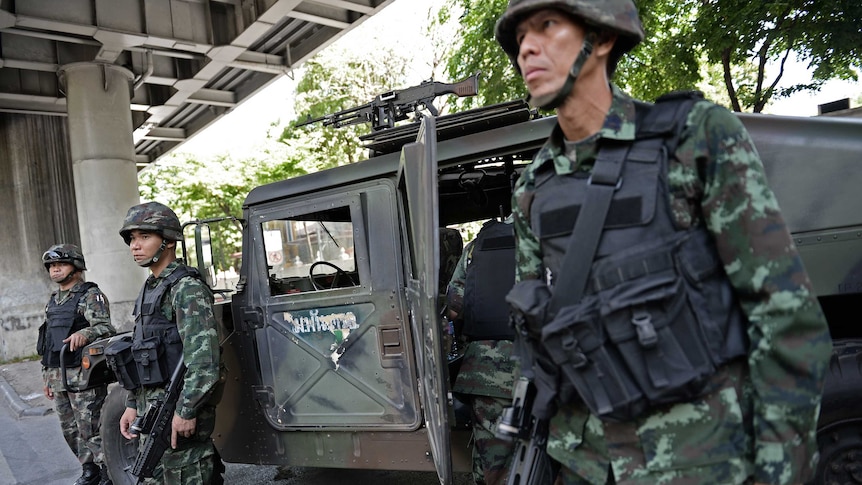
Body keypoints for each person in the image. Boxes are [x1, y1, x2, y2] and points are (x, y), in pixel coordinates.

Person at [493, 1, 832, 484]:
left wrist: (780, 470)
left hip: (699, 457)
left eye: (547, 26)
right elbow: (538, 331)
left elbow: (783, 314)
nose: (526, 49)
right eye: (520, 37)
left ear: (602, 39)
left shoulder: (693, 139)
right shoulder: (533, 187)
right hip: (587, 465)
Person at [117, 201, 224, 484]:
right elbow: (142, 353)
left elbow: (205, 361)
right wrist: (132, 404)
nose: (135, 246)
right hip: (151, 415)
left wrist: (186, 410)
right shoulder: (150, 288)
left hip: (177, 416)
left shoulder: (186, 288)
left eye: (145, 237)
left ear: (167, 241)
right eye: (132, 238)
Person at [446, 218, 518, 485]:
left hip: (487, 371)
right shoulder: (551, 238)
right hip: (545, 362)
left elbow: (454, 307)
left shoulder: (477, 248)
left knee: (493, 457)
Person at [39, 243, 117, 485]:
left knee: (91, 428)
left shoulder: (90, 295)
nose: (55, 270)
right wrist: (46, 377)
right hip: (58, 375)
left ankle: (109, 472)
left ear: (76, 266)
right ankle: (90, 470)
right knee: (70, 430)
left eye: (60, 264)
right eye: (51, 266)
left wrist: (86, 334)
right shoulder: (53, 301)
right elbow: (47, 341)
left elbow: (106, 327)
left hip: (84, 377)